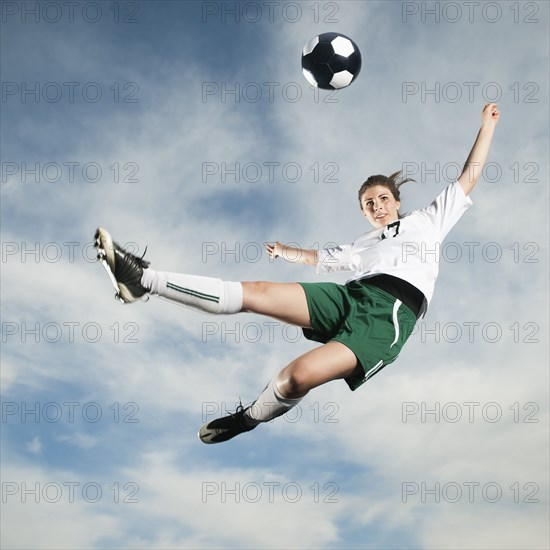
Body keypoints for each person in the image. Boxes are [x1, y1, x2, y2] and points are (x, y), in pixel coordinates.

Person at [94, 103, 500, 444]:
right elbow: (320, 257)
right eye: (367, 203)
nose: (375, 206)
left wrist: (486, 126)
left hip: (389, 315)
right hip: (353, 295)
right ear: (363, 212)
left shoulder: (429, 220)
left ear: (396, 201)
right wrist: (285, 251)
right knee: (257, 292)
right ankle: (142, 279)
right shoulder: (363, 243)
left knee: (294, 378)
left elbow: (470, 176)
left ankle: (248, 418)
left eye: (381, 198)